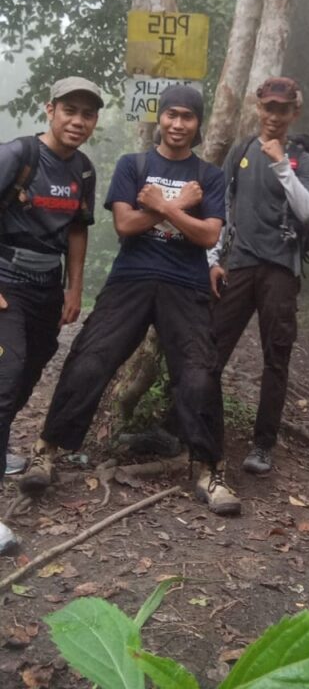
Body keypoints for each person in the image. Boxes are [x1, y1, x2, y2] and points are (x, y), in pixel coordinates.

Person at [20, 86, 241, 517]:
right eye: (172, 115)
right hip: (131, 279)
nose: (178, 124)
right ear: (161, 117)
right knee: (90, 359)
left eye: (188, 117)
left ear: (198, 123)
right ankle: (45, 451)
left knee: (198, 374)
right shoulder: (133, 165)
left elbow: (209, 234)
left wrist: (163, 206)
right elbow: (125, 224)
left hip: (186, 284)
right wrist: (180, 205)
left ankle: (209, 471)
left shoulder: (210, 176)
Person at [0, 76, 102, 551]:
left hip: (46, 287)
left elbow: (78, 229)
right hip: (7, 282)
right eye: (70, 110)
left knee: (30, 369)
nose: (78, 121)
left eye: (88, 114)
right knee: (7, 375)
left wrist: (74, 288)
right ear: (50, 109)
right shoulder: (19, 155)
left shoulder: (83, 170)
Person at [209, 77, 309, 476]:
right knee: (211, 350)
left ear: (294, 112)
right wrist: (213, 259)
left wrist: (280, 163)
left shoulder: (303, 160)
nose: (274, 116)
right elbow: (222, 207)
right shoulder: (240, 151)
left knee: (276, 357)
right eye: (269, 107)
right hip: (239, 264)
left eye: (282, 109)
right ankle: (202, 431)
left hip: (281, 270)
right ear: (258, 108)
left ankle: (263, 444)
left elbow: (308, 212)